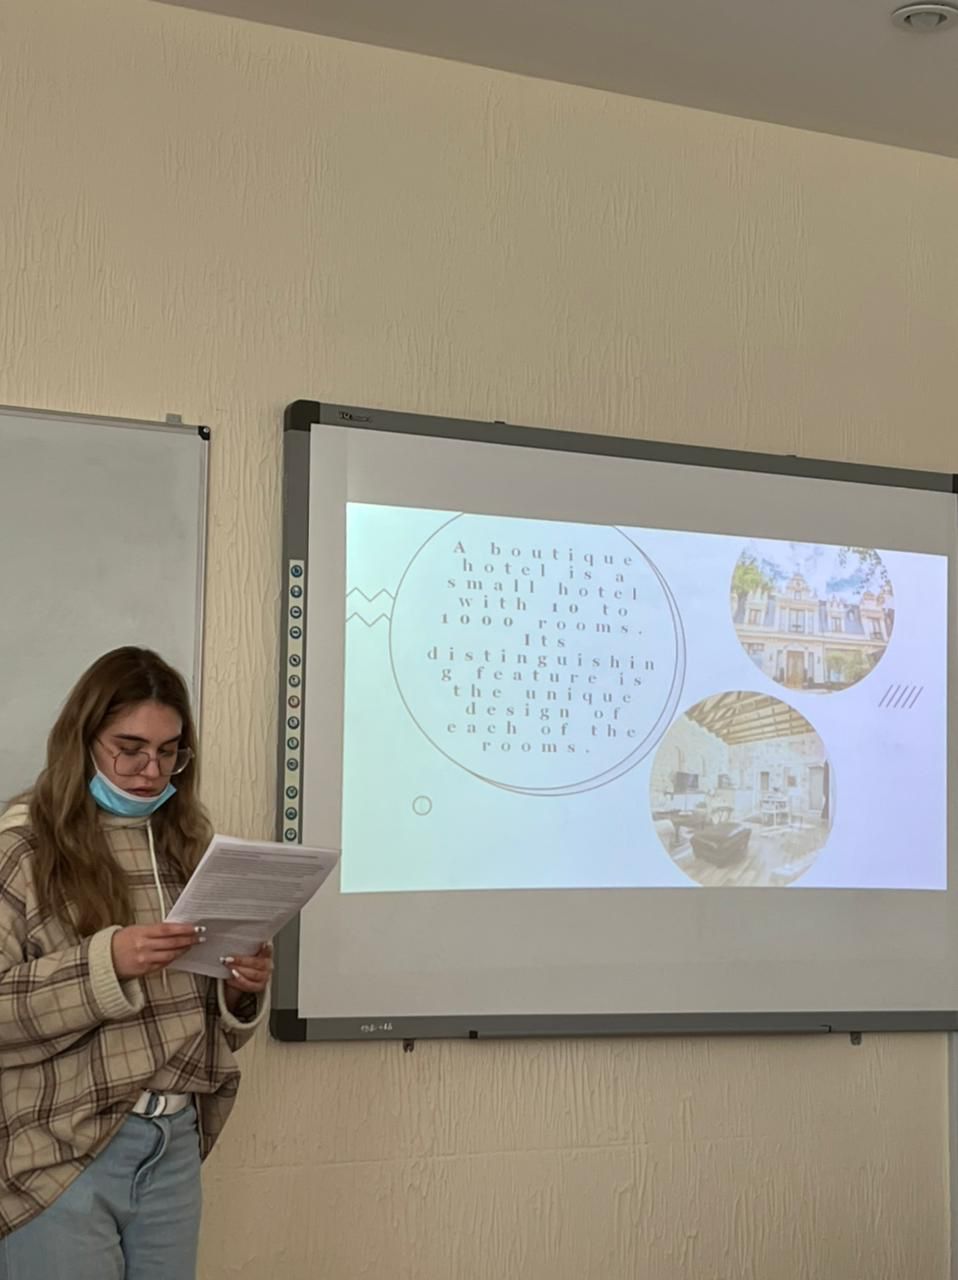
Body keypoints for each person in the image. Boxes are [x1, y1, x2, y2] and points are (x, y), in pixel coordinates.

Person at [0, 647, 272, 1279]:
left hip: (173, 1145)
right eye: (129, 749)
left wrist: (240, 989)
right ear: (82, 741)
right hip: (57, 1154)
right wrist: (108, 963)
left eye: (169, 752)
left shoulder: (190, 847)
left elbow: (202, 1018)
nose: (151, 772)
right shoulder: (24, 851)